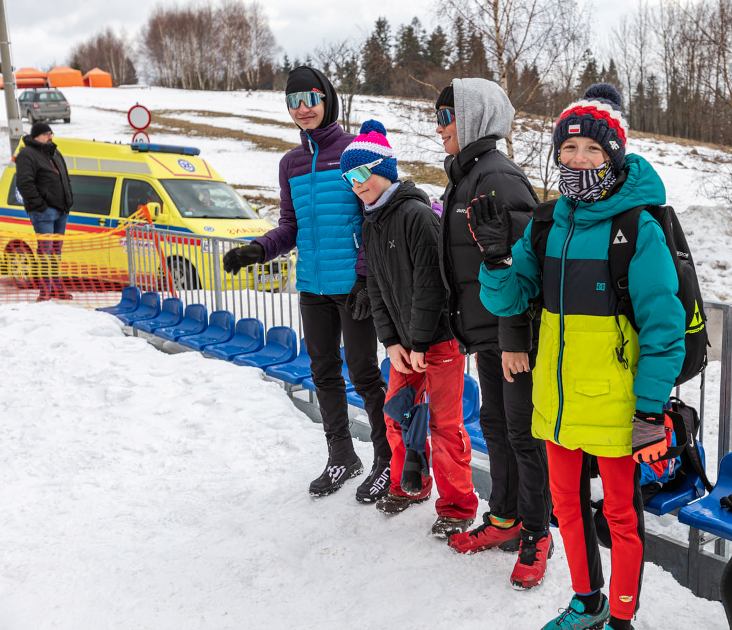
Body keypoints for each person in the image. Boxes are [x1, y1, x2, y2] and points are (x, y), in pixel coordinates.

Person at [470, 83, 686, 630]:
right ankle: (587, 603)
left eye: (592, 150)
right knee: (567, 509)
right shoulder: (547, 224)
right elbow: (509, 297)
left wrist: (649, 408)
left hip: (617, 408)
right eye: (568, 149)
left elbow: (665, 327)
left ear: (614, 155)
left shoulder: (638, 228)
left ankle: (621, 618)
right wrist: (496, 258)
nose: (579, 159)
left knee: (619, 518)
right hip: (559, 403)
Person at [222, 66, 391, 501]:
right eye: (293, 102)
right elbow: (289, 226)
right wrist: (256, 250)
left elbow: (376, 217)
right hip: (312, 286)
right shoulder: (290, 164)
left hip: (352, 287)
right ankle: (341, 456)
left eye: (310, 98)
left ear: (327, 99)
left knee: (365, 372)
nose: (302, 109)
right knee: (322, 371)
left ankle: (387, 460)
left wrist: (366, 276)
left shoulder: (355, 152)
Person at [433, 78, 552, 589]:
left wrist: (514, 340)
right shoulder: (467, 177)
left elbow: (525, 270)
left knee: (523, 435)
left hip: (510, 338)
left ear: (475, 116)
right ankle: (504, 517)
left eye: (446, 116)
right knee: (497, 426)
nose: (439, 129)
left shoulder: (498, 179)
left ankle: (536, 533)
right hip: (484, 333)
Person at [340, 119, 478, 537]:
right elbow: (378, 287)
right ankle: (408, 484)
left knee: (444, 425)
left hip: (438, 341)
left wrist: (418, 342)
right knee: (396, 416)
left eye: (361, 174)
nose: (355, 184)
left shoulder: (417, 215)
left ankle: (457, 505)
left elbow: (430, 286)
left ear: (384, 170)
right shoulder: (372, 222)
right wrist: (392, 342)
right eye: (348, 178)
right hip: (405, 344)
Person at [15, 122, 73, 301]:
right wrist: (39, 205)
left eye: (51, 133)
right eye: (48, 133)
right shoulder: (27, 154)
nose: (51, 136)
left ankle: (56, 288)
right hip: (44, 212)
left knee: (56, 252)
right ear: (37, 135)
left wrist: (68, 200)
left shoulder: (54, 152)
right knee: (45, 252)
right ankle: (45, 290)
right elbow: (24, 183)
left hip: (61, 209)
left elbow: (65, 178)